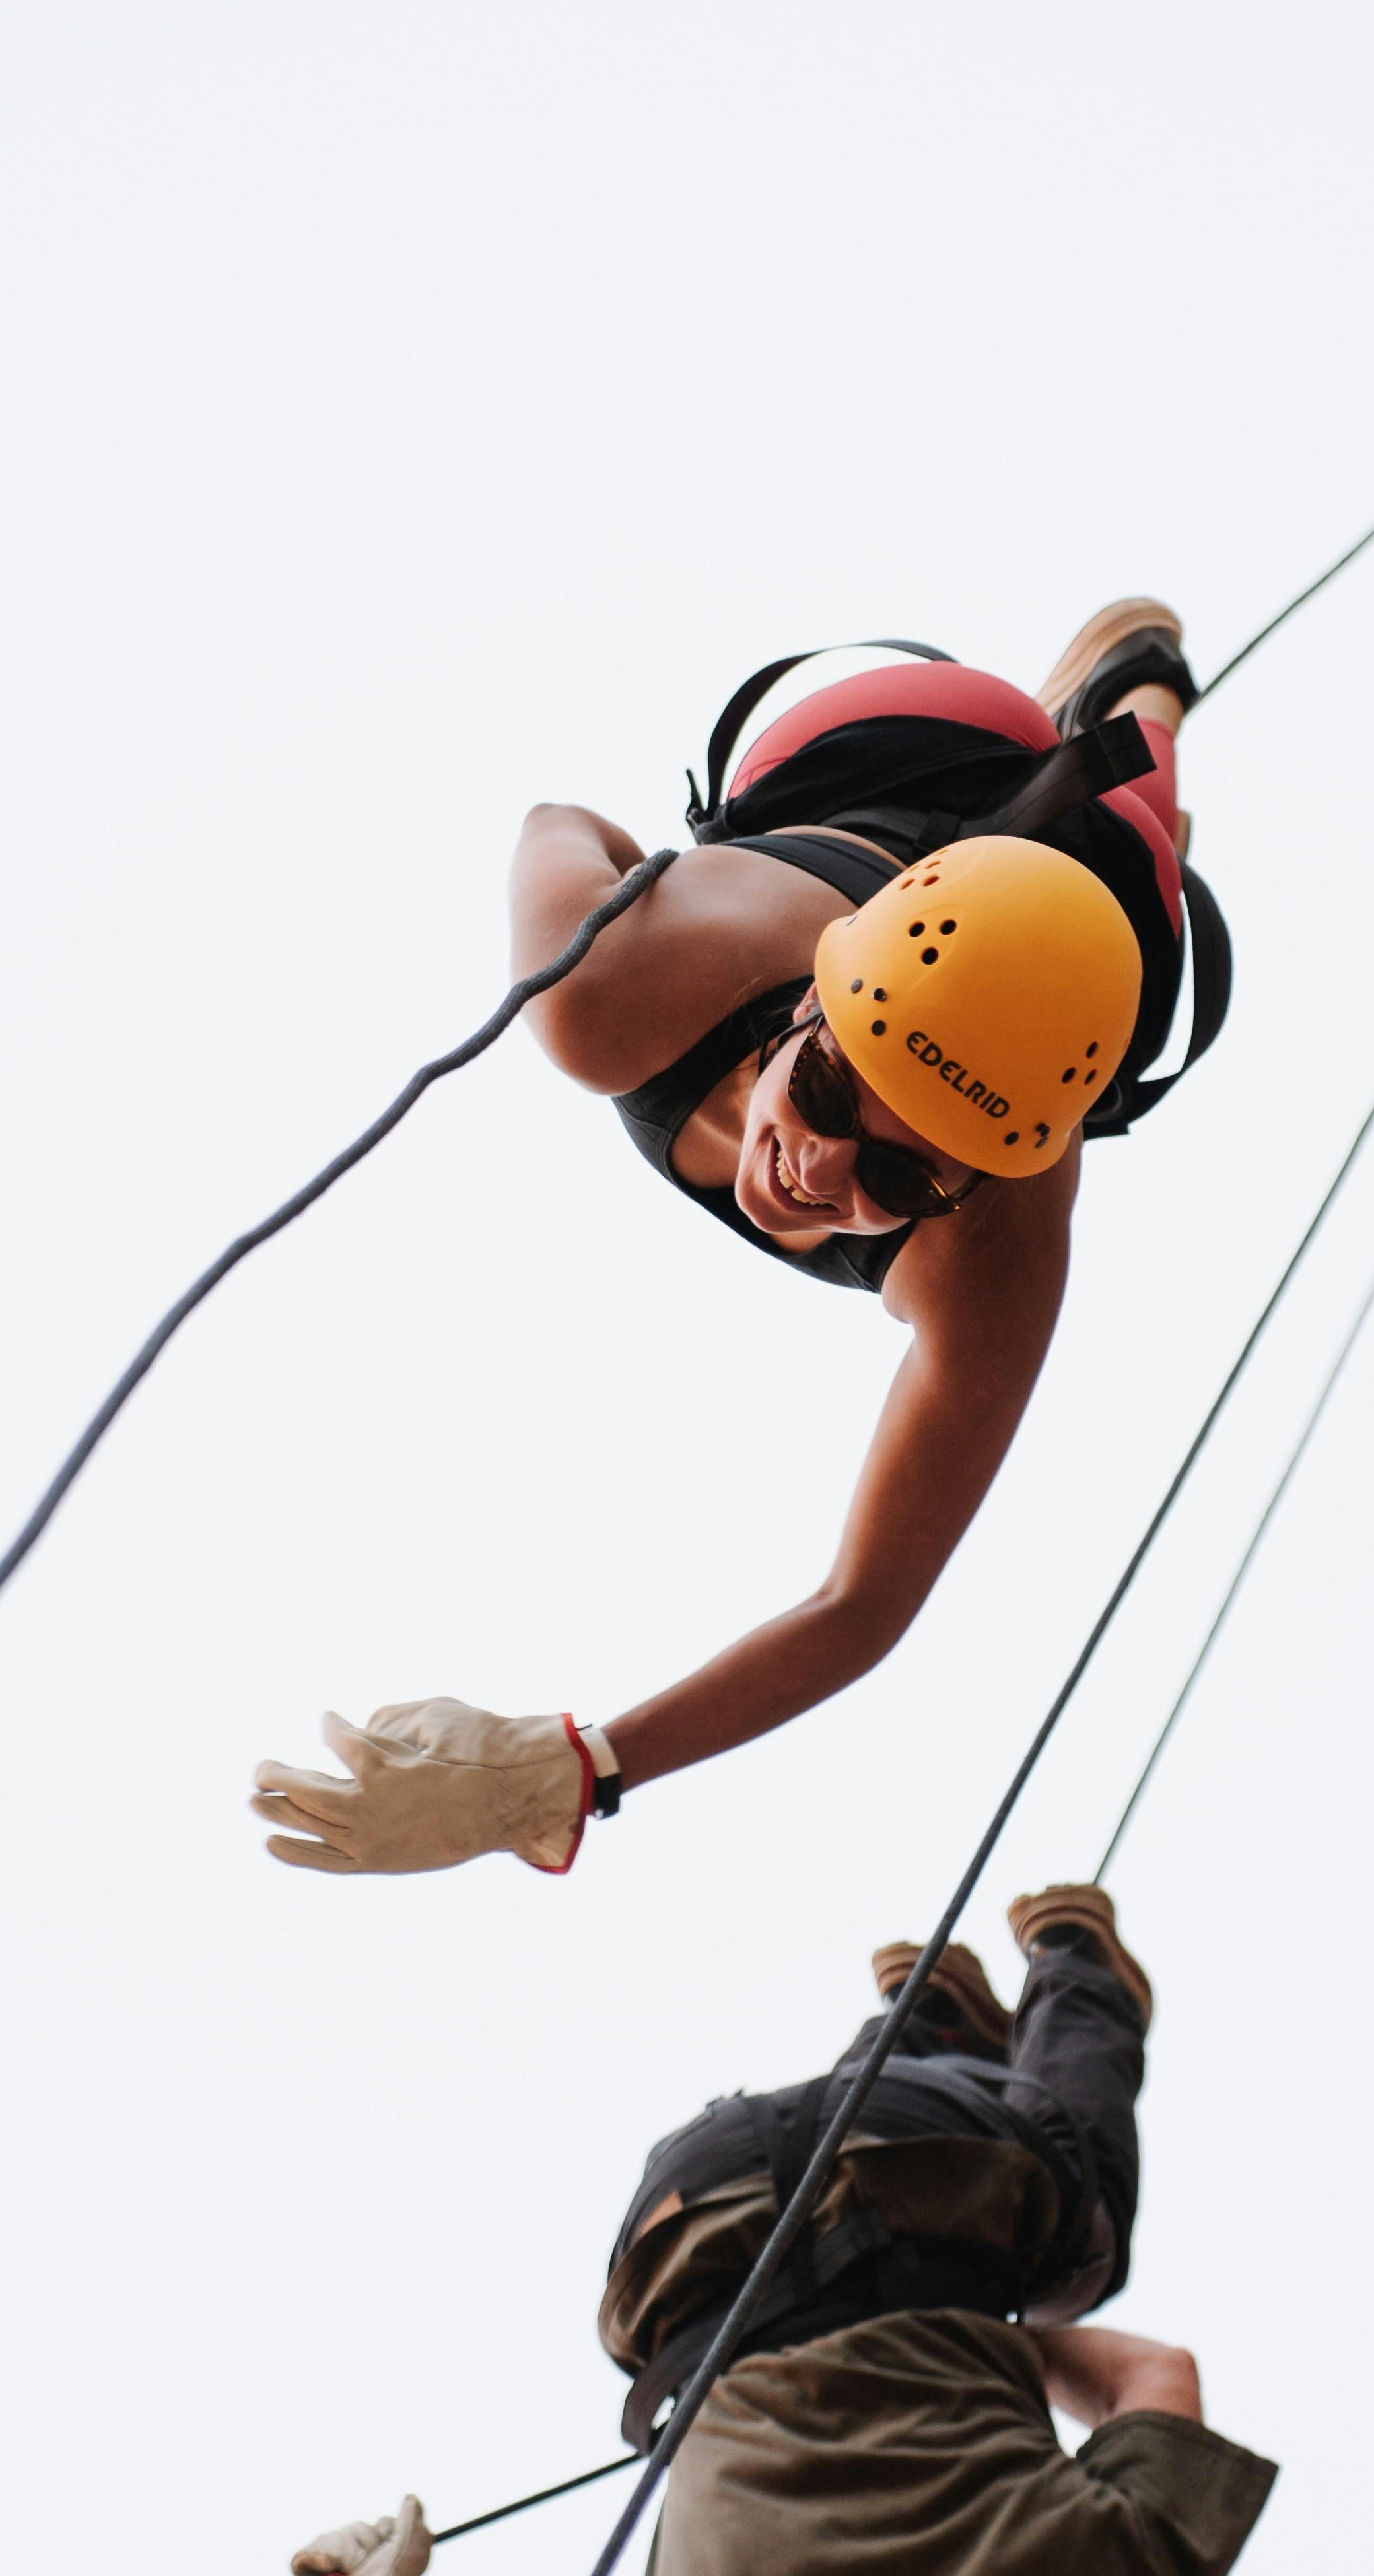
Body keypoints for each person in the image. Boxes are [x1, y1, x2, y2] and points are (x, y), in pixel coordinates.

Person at [250, 607, 1233, 1884]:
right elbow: (560, 822)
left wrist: (571, 1769)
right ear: (813, 998)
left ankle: (1139, 706)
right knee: (1110, 832)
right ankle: (1098, 743)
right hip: (909, 753)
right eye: (826, 1091)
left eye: (895, 1176)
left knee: (1138, 852)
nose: (817, 1170)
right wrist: (676, 875)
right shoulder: (613, 992)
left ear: (971, 1180)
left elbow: (860, 1604)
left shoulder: (994, 1251)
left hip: (1079, 912)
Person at [292, 1885, 1273, 2576]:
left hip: (926, 2153)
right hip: (684, 2216)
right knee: (855, 2171)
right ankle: (931, 2017)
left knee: (1079, 2242)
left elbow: (1153, 2374)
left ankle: (1068, 1957)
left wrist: (978, 2339)